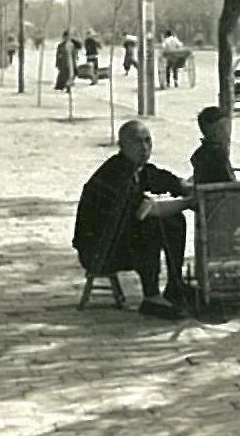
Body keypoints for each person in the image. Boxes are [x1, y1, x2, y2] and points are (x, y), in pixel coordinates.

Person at [72, 120, 196, 320]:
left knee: (174, 220)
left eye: (148, 141)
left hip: (116, 241)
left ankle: (175, 284)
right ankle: (152, 297)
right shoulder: (115, 174)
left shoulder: (136, 168)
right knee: (151, 226)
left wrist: (183, 186)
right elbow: (148, 211)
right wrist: (189, 202)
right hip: (98, 251)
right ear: (123, 145)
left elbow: (159, 178)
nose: (145, 148)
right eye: (138, 142)